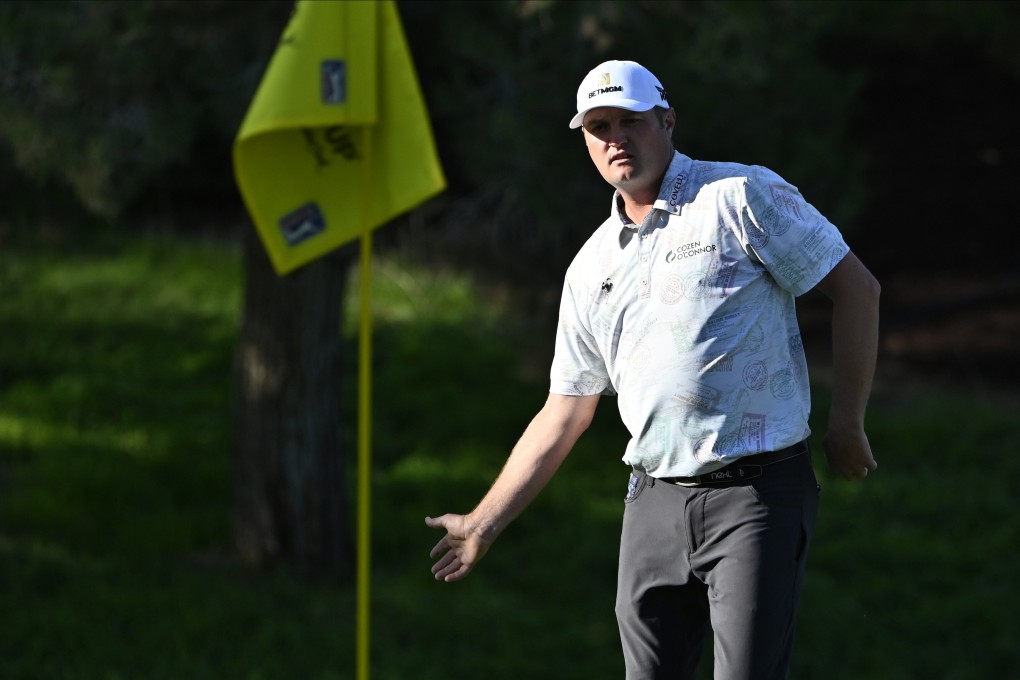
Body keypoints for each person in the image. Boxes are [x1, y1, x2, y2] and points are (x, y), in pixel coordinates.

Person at [426, 59, 880, 679]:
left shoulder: (739, 197)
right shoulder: (589, 268)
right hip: (653, 502)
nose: (615, 138)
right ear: (584, 139)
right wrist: (485, 520)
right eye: (599, 126)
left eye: (630, 121)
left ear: (666, 120)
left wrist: (846, 422)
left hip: (756, 491)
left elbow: (857, 290)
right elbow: (567, 410)